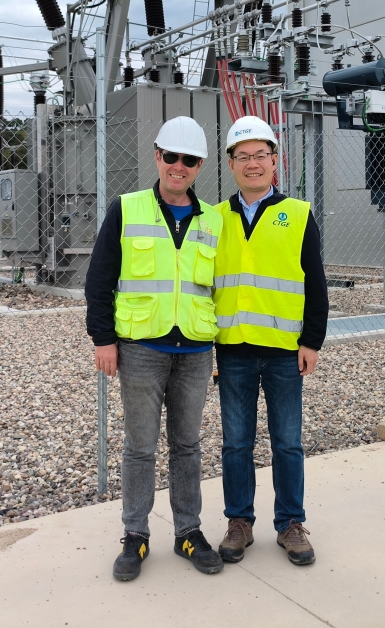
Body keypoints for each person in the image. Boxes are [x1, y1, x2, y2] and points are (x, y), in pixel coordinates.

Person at [84, 116, 225, 582]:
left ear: (200, 166)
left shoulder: (213, 220)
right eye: (171, 157)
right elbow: (100, 279)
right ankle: (135, 535)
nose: (178, 167)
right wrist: (103, 339)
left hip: (195, 351)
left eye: (189, 160)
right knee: (140, 447)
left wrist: (223, 349)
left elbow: (221, 289)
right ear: (157, 157)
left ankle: (188, 531)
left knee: (188, 445)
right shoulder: (126, 209)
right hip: (141, 348)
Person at [213, 115, 328, 566]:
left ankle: (290, 523)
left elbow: (315, 282)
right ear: (231, 164)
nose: (253, 164)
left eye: (261, 155)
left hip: (284, 351)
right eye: (243, 156)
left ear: (275, 161)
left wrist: (312, 340)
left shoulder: (297, 214)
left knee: (287, 443)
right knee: (236, 443)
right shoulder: (214, 218)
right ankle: (239, 522)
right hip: (233, 351)